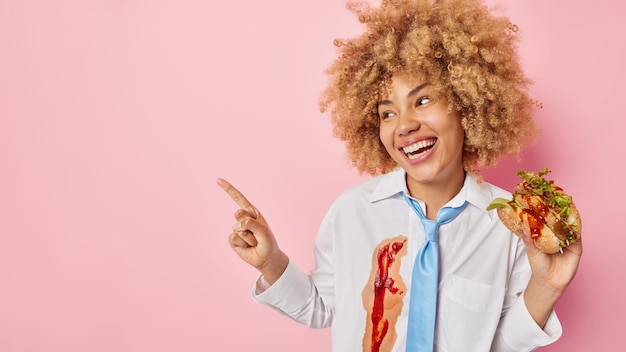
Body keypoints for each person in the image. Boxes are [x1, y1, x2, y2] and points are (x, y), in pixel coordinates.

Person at [217, 0, 582, 351]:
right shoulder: (351, 211)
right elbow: (322, 308)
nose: (404, 125)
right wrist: (271, 262)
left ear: (467, 104)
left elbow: (498, 345)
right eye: (387, 113)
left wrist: (547, 286)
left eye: (423, 101)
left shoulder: (510, 227)